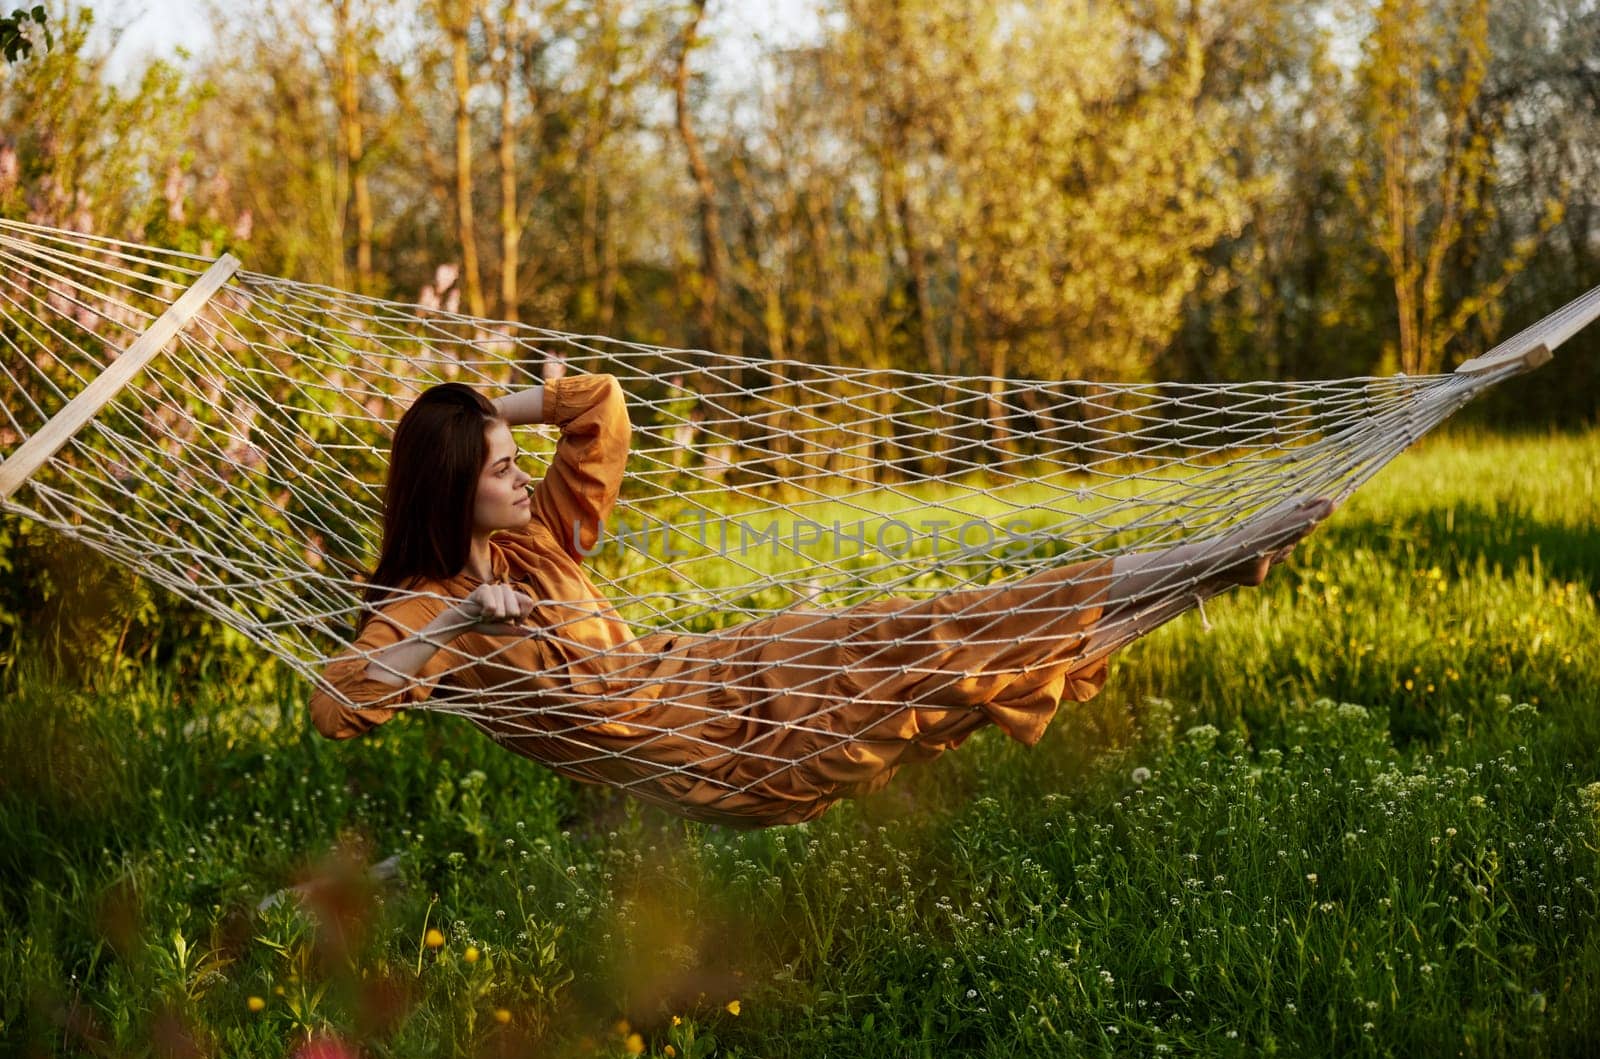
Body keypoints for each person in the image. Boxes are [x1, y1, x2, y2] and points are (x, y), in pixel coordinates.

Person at [311, 373, 1331, 827]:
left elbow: (599, 407)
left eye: (510, 455)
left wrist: (488, 406)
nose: (521, 472)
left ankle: (1203, 558)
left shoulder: (536, 531)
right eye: (496, 467)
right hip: (728, 754)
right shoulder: (426, 598)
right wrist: (455, 622)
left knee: (942, 621)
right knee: (951, 673)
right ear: (451, 491)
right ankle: (1200, 571)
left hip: (731, 662)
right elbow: (338, 703)